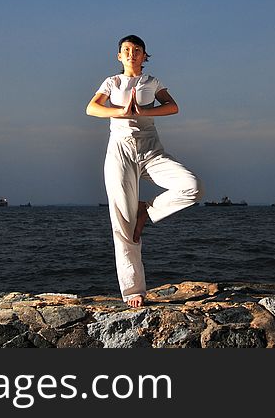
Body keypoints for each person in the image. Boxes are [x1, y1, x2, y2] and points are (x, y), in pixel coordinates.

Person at [86, 35, 204, 308]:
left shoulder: (152, 82)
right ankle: (133, 291)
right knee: (122, 224)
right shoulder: (111, 82)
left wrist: (141, 111)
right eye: (126, 50)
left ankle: (147, 212)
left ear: (144, 55)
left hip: (151, 149)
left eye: (136, 50)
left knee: (193, 186)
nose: (131, 54)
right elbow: (92, 108)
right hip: (120, 151)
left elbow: (172, 107)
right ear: (119, 56)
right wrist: (121, 112)